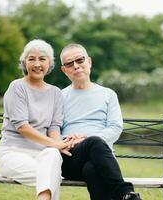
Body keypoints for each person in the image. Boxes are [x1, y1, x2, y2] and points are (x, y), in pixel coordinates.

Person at [60, 43, 142, 200]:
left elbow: (115, 127)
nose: (76, 66)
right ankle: (126, 193)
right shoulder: (59, 97)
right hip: (70, 158)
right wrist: (69, 142)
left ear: (89, 62)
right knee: (94, 142)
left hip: (100, 161)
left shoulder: (108, 95)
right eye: (69, 63)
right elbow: (53, 129)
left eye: (80, 60)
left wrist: (86, 138)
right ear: (64, 70)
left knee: (92, 169)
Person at [0, 39, 71, 200]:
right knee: (51, 174)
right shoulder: (17, 87)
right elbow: (22, 127)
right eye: (32, 59)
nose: (37, 64)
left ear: (49, 63)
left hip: (42, 155)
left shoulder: (56, 93)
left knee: (52, 156)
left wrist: (58, 145)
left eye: (42, 59)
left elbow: (54, 128)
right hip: (12, 153)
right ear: (24, 63)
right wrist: (55, 143)